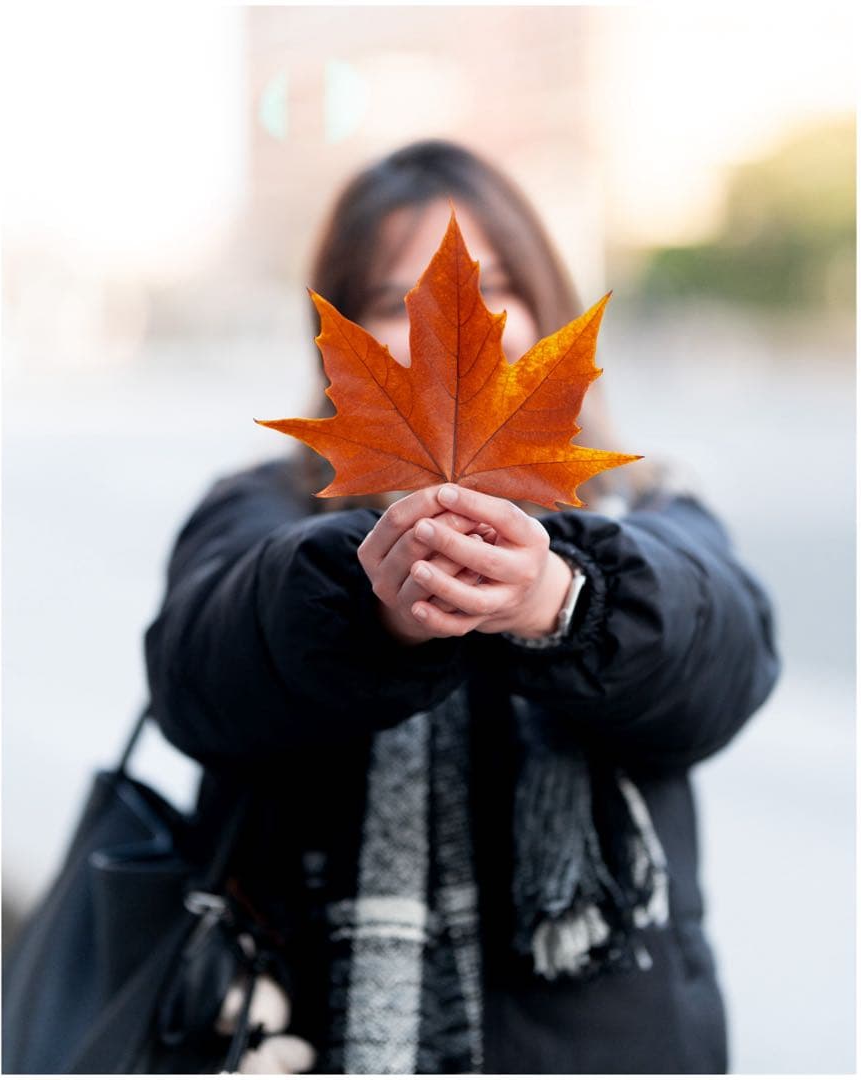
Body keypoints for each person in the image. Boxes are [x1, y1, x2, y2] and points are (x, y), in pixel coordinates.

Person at [144, 139, 780, 1074]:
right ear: (339, 337)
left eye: (501, 288)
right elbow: (197, 678)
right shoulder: (263, 506)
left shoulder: (647, 511)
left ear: (551, 314)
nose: (452, 323)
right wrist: (373, 609)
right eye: (388, 300)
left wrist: (564, 598)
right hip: (303, 1026)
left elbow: (723, 663)